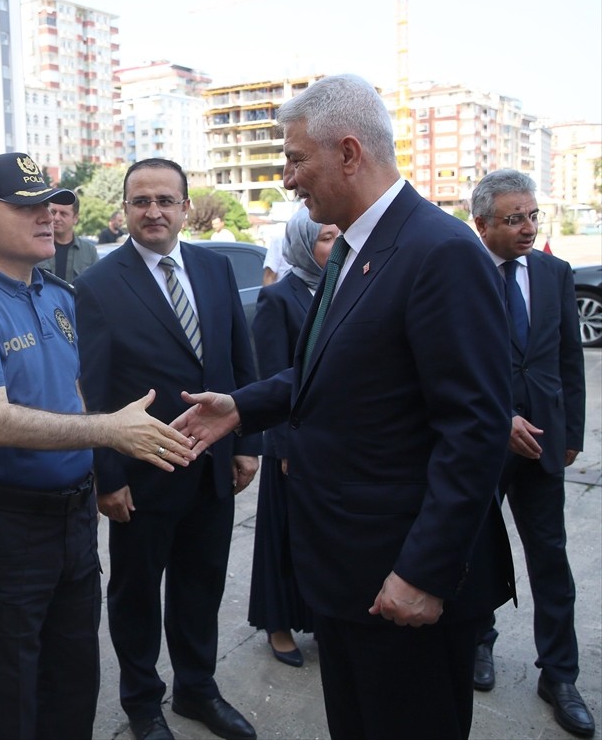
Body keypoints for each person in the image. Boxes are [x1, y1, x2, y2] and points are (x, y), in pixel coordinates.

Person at [172, 74, 515, 740]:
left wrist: (422, 572)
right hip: (346, 574)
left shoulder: (438, 251)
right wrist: (239, 406)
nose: (287, 178)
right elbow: (330, 371)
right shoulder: (353, 248)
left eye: (296, 158)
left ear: (350, 153)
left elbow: (473, 432)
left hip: (403, 582)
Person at [0, 152, 196, 740]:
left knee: (74, 679)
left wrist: (104, 462)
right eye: (26, 206)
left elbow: (76, 392)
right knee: (10, 690)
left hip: (71, 521)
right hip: (3, 525)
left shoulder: (56, 294)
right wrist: (108, 432)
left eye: (48, 202)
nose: (47, 215)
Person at [75, 158, 261, 740]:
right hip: (143, 470)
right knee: (135, 594)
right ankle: (143, 704)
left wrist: (245, 440)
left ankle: (197, 690)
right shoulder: (99, 286)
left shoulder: (213, 269)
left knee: (201, 584)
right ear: (123, 210)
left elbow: (239, 361)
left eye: (165, 200)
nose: (153, 211)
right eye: (141, 201)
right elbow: (95, 393)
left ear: (185, 207)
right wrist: (108, 477)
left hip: (211, 467)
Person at [469, 170, 592, 738]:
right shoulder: (460, 276)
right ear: (483, 224)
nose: (527, 227)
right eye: (514, 218)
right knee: (470, 549)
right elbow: (451, 367)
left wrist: (571, 435)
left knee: (550, 557)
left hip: (543, 440)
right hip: (480, 441)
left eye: (532, 215)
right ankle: (478, 642)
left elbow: (569, 359)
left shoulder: (553, 272)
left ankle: (559, 674)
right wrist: (498, 419)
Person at [246, 207, 336, 667]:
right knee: (284, 534)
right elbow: (272, 378)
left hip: (335, 444)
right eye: (324, 239)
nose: (333, 246)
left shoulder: (344, 288)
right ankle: (278, 623)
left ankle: (321, 616)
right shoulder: (279, 298)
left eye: (338, 237)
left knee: (325, 536)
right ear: (302, 243)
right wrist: (280, 446)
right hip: (291, 444)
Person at [36, 195, 98, 282]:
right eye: (53, 212)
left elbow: (95, 283)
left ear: (75, 218)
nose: (56, 218)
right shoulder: (37, 246)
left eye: (63, 214)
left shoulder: (89, 251)